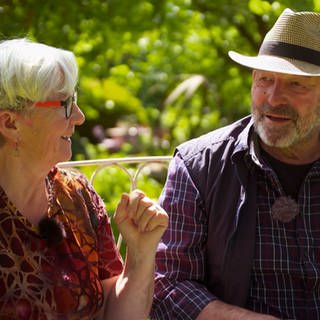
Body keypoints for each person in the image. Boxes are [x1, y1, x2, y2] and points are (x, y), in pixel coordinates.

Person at [150, 8, 320, 320]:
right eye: (264, 80)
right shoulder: (199, 167)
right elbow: (168, 283)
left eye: (296, 84)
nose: (272, 97)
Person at [0, 38, 168, 320]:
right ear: (10, 123)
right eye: (64, 104)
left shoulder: (76, 195)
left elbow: (114, 315)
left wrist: (140, 254)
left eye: (74, 100)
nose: (79, 117)